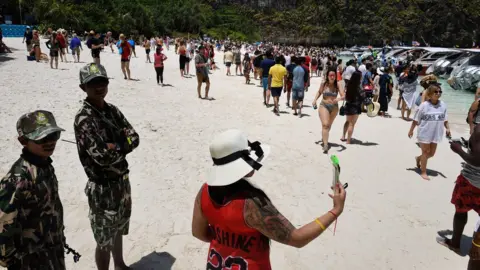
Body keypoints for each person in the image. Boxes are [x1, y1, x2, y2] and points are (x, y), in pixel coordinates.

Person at [192, 129, 346, 270]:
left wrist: (226, 239)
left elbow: (198, 233)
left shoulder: (204, 191)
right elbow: (297, 239)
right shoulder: (251, 203)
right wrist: (335, 210)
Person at [74, 63, 140, 270]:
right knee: (104, 238)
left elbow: (135, 138)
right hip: (102, 187)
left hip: (121, 180)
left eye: (102, 81)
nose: (99, 86)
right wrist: (121, 144)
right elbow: (101, 156)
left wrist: (116, 146)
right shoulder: (84, 118)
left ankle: (119, 265)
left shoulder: (112, 111)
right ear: (83, 87)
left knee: (119, 228)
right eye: (93, 83)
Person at [0, 110, 67, 269]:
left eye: (53, 136)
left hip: (52, 252)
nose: (50, 142)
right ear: (23, 140)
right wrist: (12, 261)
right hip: (30, 261)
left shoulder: (45, 166)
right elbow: (3, 223)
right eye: (42, 138)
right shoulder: (18, 178)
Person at [442, 123, 480, 270]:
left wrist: (459, 150)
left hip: (471, 181)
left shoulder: (479, 129)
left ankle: (455, 243)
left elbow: (477, 160)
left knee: (461, 210)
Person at [408, 84, 450, 180]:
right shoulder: (424, 106)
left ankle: (419, 158)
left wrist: (448, 128)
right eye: (436, 92)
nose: (438, 93)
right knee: (426, 152)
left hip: (436, 133)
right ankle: (423, 172)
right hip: (425, 132)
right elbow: (415, 119)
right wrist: (411, 130)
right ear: (430, 94)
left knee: (431, 154)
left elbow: (445, 119)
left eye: (440, 92)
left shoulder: (443, 105)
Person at [312, 67, 345, 153]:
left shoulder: (338, 84)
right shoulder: (324, 83)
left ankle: (324, 137)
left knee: (328, 126)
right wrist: (315, 100)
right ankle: (326, 145)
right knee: (325, 124)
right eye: (330, 75)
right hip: (324, 105)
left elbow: (343, 95)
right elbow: (319, 92)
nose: (332, 77)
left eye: (334, 75)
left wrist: (338, 99)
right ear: (327, 76)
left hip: (334, 108)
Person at [341, 71, 364, 144]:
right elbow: (363, 96)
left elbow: (346, 94)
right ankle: (348, 140)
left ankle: (343, 136)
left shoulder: (349, 84)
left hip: (348, 105)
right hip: (356, 107)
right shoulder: (359, 86)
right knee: (352, 124)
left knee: (347, 122)